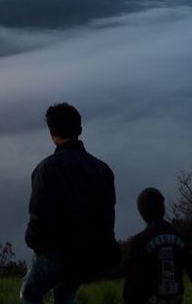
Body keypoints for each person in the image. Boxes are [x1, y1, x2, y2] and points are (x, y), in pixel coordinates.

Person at [21, 103, 119, 304]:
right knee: (65, 295)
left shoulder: (46, 169)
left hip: (58, 253)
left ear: (52, 132)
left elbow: (39, 220)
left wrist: (33, 242)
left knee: (30, 293)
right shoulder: (103, 169)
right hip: (89, 255)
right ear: (80, 131)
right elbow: (108, 215)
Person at [124, 188, 192, 304]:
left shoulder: (139, 242)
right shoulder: (180, 237)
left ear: (142, 211)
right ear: (162, 207)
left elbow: (133, 282)